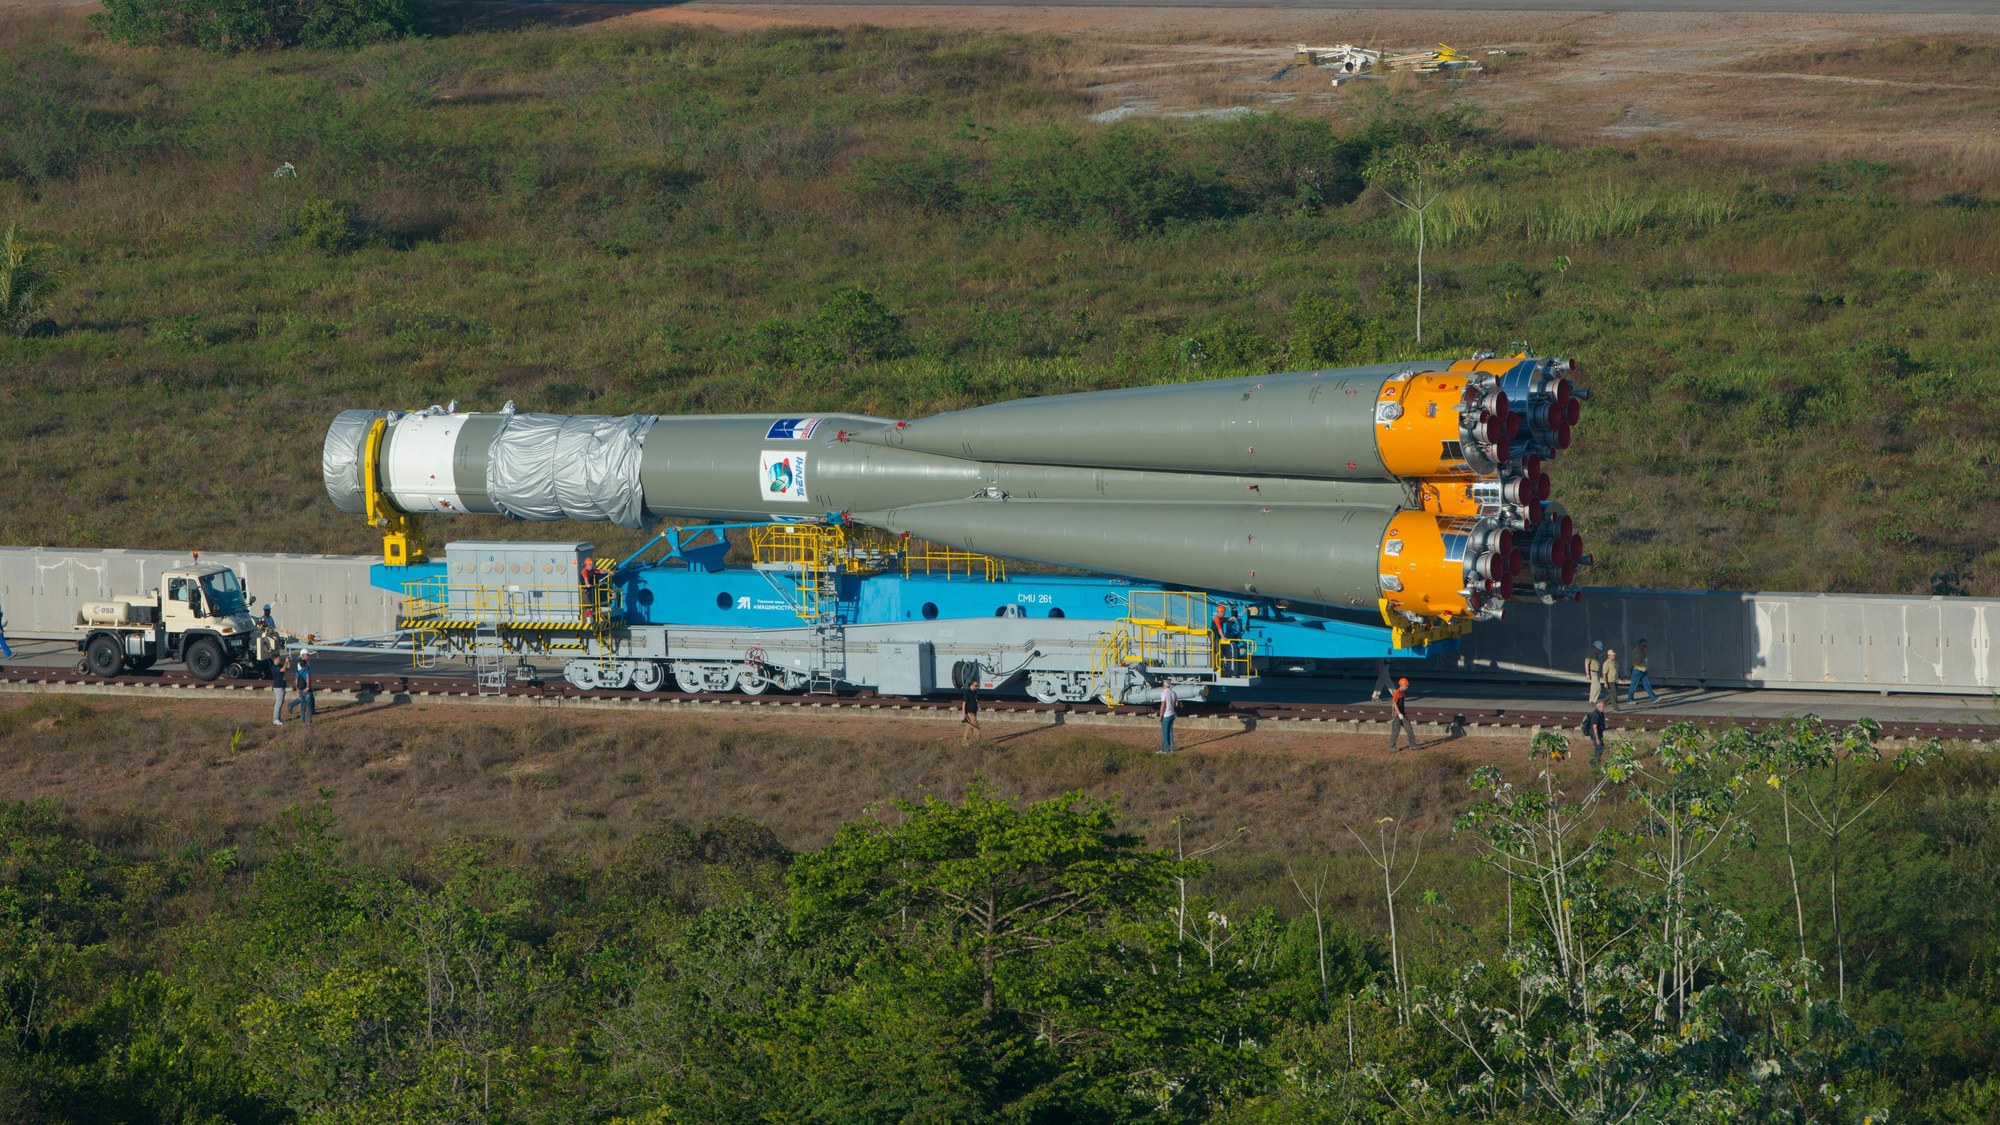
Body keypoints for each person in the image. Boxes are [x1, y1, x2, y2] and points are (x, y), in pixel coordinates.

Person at [1388, 677, 1417, 751]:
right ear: (1402, 685)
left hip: (1402, 714)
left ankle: (1412, 745)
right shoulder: (1397, 693)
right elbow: (1394, 704)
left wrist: (1402, 714)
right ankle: (1391, 747)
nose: (1407, 687)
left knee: (1409, 728)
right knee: (1396, 730)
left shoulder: (1403, 693)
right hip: (1397, 715)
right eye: (1406, 686)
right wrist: (1399, 713)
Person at [1628, 639, 1659, 705]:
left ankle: (1654, 698)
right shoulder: (1635, 651)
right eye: (1643, 645)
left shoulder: (1642, 650)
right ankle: (1629, 699)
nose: (1644, 647)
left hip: (1643, 671)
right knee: (1633, 686)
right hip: (1637, 671)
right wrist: (1644, 655)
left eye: (1645, 646)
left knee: (1647, 685)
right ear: (1640, 644)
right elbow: (1638, 661)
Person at [1581, 700, 1608, 765]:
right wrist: (1597, 738)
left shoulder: (1601, 713)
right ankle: (1593, 762)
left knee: (1600, 748)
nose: (1604, 708)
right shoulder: (1595, 715)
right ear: (1599, 707)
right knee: (1600, 748)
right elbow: (1594, 727)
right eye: (1603, 707)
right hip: (1595, 734)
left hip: (1599, 733)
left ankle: (1596, 761)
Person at [292, 651, 314, 726]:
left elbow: (296, 682)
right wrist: (308, 687)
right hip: (306, 691)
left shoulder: (297, 672)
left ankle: (302, 721)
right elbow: (308, 679)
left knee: (302, 706)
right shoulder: (307, 671)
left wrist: (298, 691)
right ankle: (308, 721)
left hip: (300, 690)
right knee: (308, 706)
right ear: (305, 664)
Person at [268, 652, 289, 726]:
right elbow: (283, 669)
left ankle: (279, 718)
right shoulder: (274, 667)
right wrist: (286, 662)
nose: (280, 659)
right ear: (275, 659)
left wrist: (288, 661)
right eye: (279, 658)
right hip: (278, 687)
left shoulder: (279, 665)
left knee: (281, 702)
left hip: (282, 685)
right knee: (278, 703)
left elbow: (288, 667)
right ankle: (275, 719)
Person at [1158, 681, 1178, 754]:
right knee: (1170, 732)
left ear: (1164, 685)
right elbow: (1176, 704)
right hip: (1172, 714)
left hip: (1166, 715)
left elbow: (1163, 705)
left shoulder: (1164, 693)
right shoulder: (1173, 693)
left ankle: (1164, 750)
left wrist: (1160, 715)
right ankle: (1171, 749)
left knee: (1164, 732)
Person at [959, 677, 980, 744]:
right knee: (976, 726)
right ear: (971, 685)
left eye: (977, 685)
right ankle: (978, 741)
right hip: (969, 712)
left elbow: (975, 700)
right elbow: (964, 704)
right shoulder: (967, 693)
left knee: (969, 726)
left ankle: (966, 741)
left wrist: (978, 706)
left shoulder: (975, 692)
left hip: (974, 712)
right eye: (975, 685)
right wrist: (963, 715)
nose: (977, 687)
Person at [1584, 641, 1605, 705]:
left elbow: (1597, 663)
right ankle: (1593, 701)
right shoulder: (1590, 654)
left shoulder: (1595, 654)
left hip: (1597, 672)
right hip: (1593, 672)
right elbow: (1586, 663)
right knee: (1597, 687)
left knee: (1594, 687)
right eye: (1598, 648)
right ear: (1595, 647)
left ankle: (1592, 701)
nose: (1598, 650)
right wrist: (1587, 673)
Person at [1602, 647, 1621, 712]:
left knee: (1611, 695)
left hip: (1615, 681)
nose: (1614, 656)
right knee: (1613, 695)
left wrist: (1622, 678)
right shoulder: (1606, 663)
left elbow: (1618, 671)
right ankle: (1616, 709)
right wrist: (1605, 683)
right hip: (1610, 681)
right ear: (1609, 656)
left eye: (1614, 655)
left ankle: (1601, 705)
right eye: (1612, 655)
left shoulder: (1615, 662)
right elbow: (1604, 673)